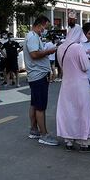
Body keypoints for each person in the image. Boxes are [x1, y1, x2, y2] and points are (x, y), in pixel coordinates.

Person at [56, 26, 90, 151]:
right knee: (83, 112)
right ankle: (84, 142)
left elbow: (62, 65)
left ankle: (68, 141)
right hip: (80, 84)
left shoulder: (60, 47)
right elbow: (85, 67)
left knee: (68, 112)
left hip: (66, 84)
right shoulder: (78, 47)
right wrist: (88, 59)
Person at [23, 16, 58, 146]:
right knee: (40, 107)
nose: (45, 30)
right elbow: (34, 54)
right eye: (45, 27)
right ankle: (44, 134)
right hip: (38, 76)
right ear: (40, 25)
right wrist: (50, 51)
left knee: (35, 104)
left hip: (36, 75)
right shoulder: (32, 36)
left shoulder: (33, 36)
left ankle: (34, 130)